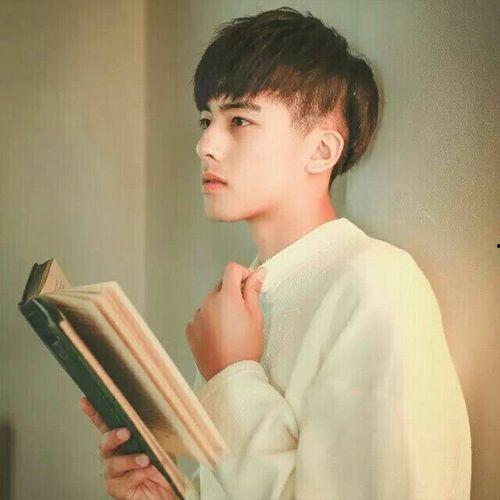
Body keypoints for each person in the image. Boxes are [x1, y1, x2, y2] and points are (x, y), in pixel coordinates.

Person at [80, 6, 471, 499]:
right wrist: (167, 494)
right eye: (207, 119)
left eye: (240, 120)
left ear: (321, 151)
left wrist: (230, 376)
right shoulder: (245, 298)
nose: (205, 144)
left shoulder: (378, 285)